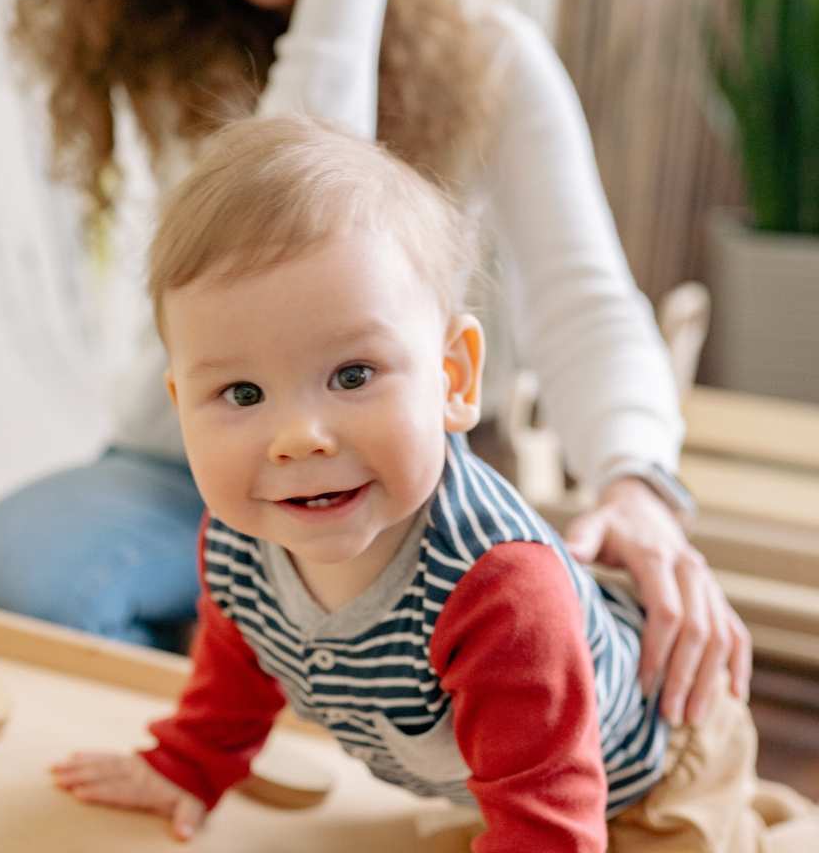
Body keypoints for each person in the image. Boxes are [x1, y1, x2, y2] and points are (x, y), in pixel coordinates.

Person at [0, 0, 748, 728]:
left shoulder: (493, 60)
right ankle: (256, 678)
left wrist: (637, 482)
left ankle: (289, 668)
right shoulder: (186, 73)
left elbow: (586, 303)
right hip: (190, 476)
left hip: (401, 484)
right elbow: (282, 225)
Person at [50, 116, 819, 851]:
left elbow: (546, 828)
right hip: (518, 780)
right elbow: (238, 672)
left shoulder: (497, 591)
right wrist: (184, 768)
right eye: (242, 395)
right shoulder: (240, 541)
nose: (298, 439)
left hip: (656, 778)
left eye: (353, 375)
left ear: (454, 378)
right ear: (183, 408)